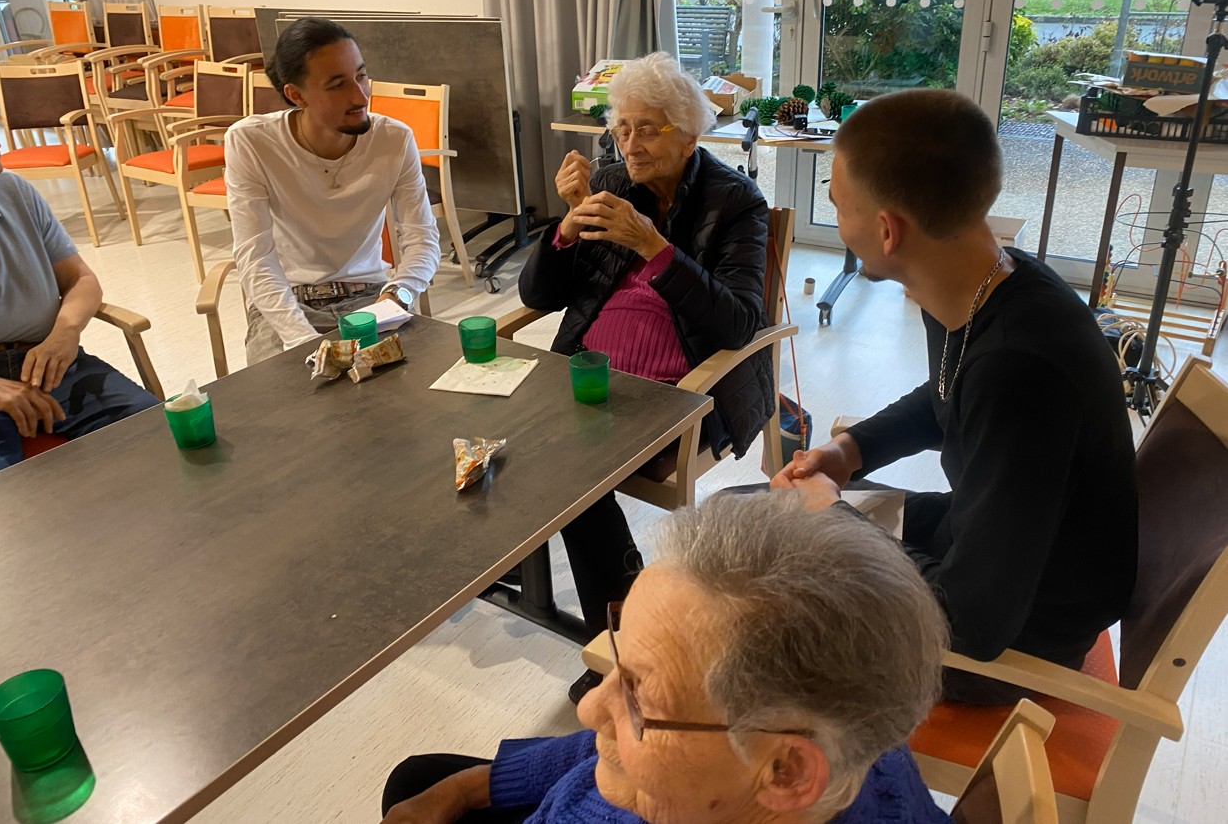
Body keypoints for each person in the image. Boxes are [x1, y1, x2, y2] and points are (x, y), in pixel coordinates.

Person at [770, 88, 1138, 705]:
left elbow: (972, 626)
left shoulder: (1021, 369)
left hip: (1009, 639)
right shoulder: (987, 280)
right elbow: (948, 391)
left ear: (886, 230)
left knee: (747, 603)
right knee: (749, 514)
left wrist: (829, 519)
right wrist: (849, 450)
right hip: (981, 549)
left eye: (836, 205)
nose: (836, 220)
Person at [380, 491, 951, 824]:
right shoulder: (848, 717)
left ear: (787, 771)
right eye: (620, 661)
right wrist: (464, 789)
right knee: (421, 779)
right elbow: (606, 747)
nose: (587, 709)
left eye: (638, 696)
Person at [517, 52, 774, 702]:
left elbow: (740, 322)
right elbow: (540, 296)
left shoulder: (736, 201)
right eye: (622, 128)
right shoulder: (611, 182)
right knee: (508, 436)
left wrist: (654, 247)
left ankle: (626, 641)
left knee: (569, 476)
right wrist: (564, 231)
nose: (630, 145)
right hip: (587, 373)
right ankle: (620, 620)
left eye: (648, 129)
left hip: (679, 392)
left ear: (688, 136)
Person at [225, 16, 441, 365]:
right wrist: (304, 341)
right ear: (296, 95)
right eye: (337, 85)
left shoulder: (394, 139)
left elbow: (422, 238)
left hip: (371, 297)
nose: (360, 95)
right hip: (287, 303)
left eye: (361, 75)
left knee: (414, 386)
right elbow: (255, 257)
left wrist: (398, 294)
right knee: (289, 395)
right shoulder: (252, 142)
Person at [0, 146, 159, 471]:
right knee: (9, 487)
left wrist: (66, 332)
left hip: (49, 360)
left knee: (152, 429)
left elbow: (81, 279)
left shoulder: (14, 190)